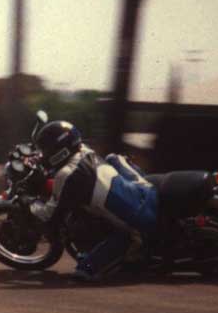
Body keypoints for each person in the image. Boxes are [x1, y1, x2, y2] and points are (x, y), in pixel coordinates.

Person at [27, 119, 158, 281]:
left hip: (140, 220)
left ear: (59, 150)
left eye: (46, 149)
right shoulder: (83, 150)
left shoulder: (66, 175)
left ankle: (131, 253)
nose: (44, 153)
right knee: (112, 158)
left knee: (84, 272)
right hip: (145, 189)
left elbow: (51, 217)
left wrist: (30, 203)